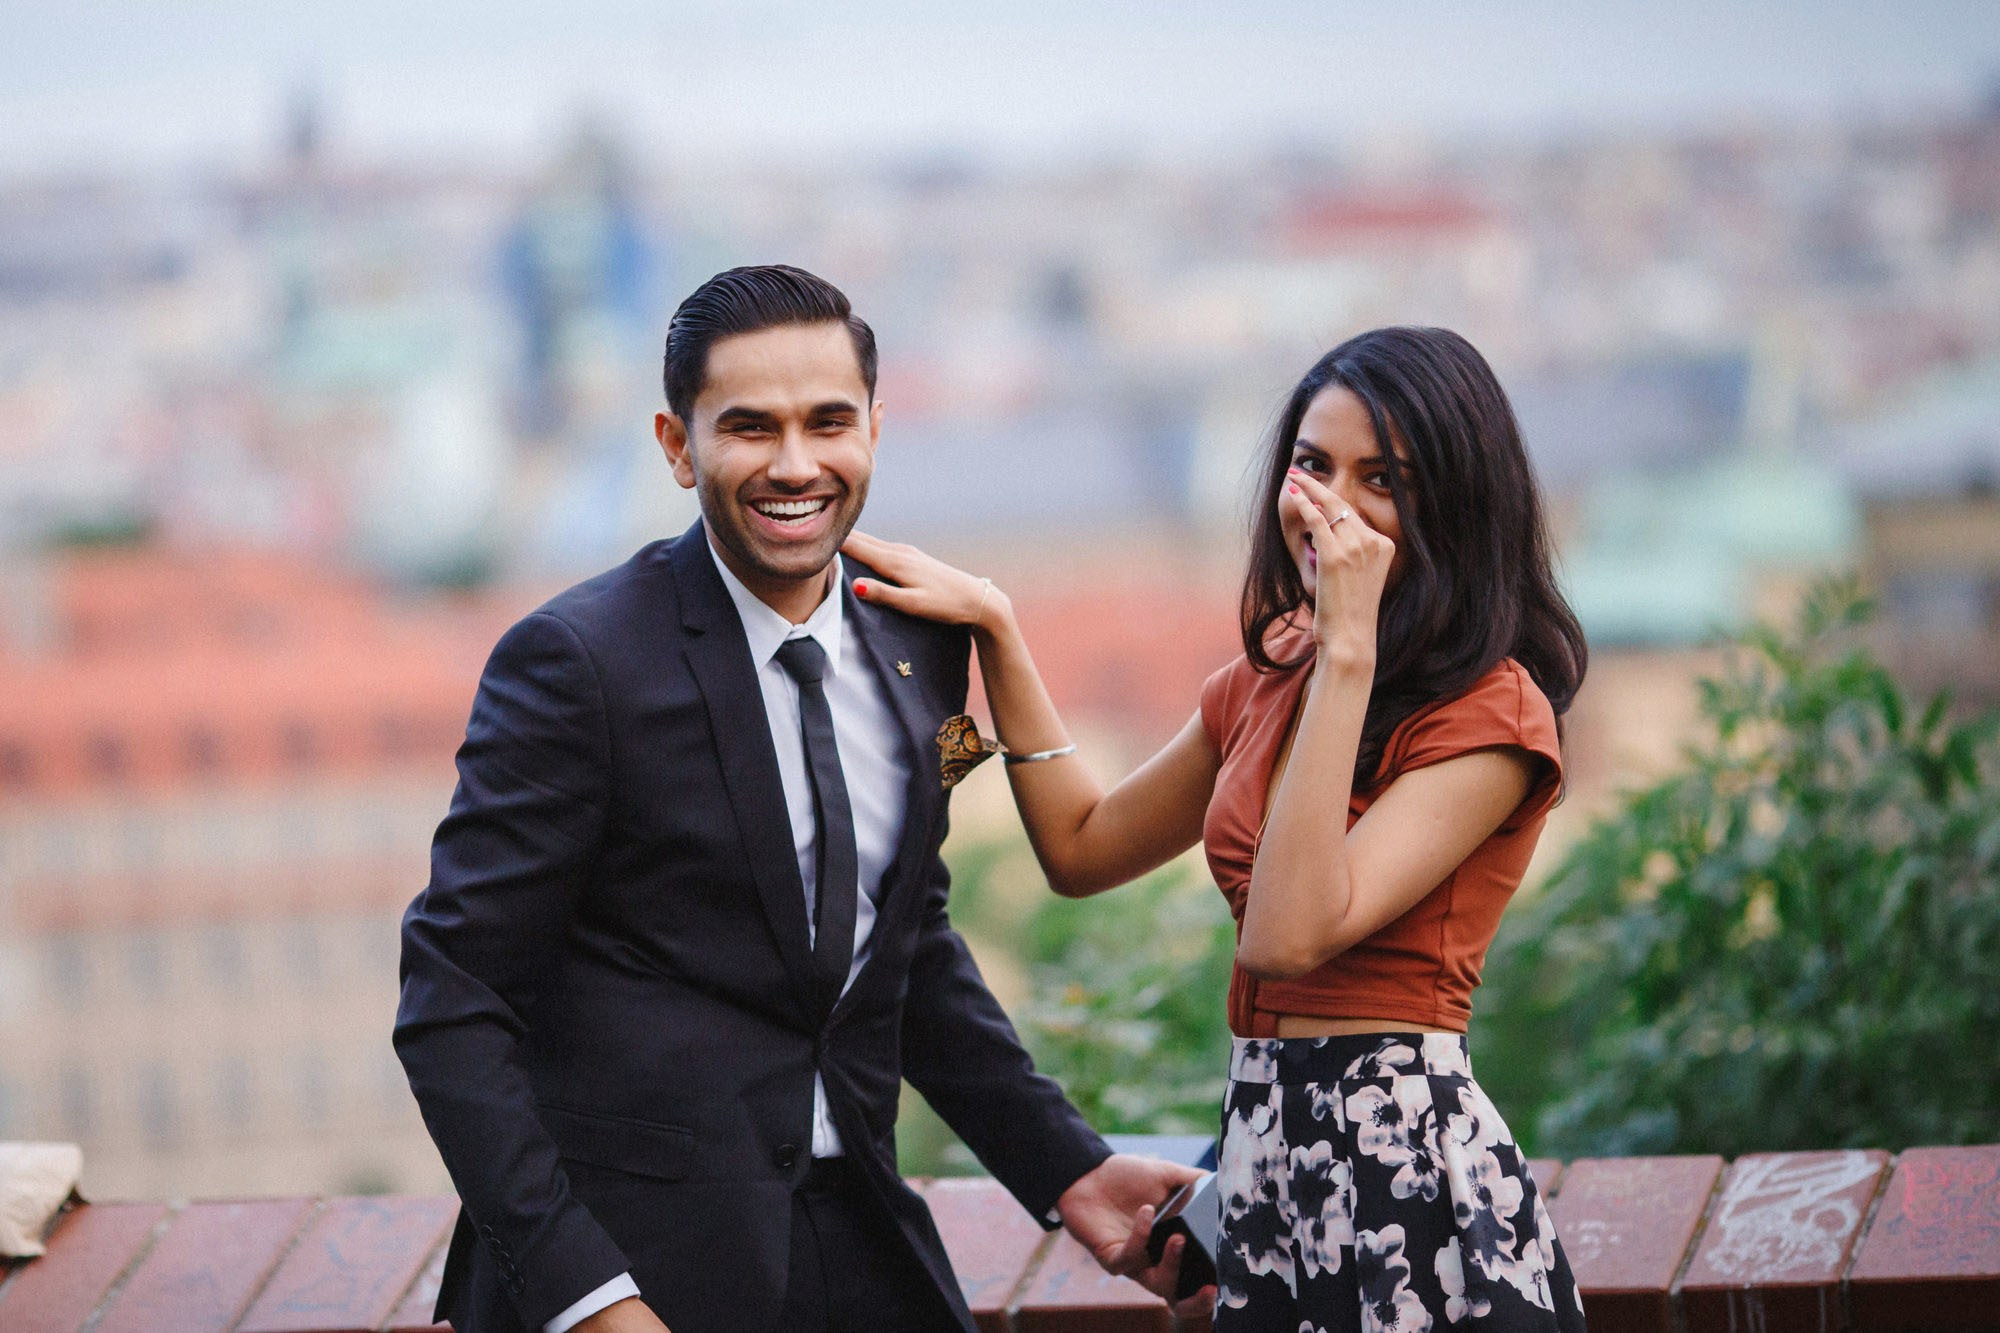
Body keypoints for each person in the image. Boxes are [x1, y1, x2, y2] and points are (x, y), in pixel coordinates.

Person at [394, 264, 1198, 1333]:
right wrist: (587, 1297)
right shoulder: (575, 663)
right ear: (677, 446)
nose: (794, 464)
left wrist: (1065, 1167)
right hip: (629, 1271)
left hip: (858, 1241)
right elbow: (451, 1004)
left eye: (828, 422)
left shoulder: (920, 642)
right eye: (748, 427)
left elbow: (902, 939)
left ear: (874, 426)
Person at [845, 325, 1592, 1330]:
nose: (1329, 503)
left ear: (1453, 502)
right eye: (1310, 463)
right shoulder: (1270, 675)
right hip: (1267, 1157)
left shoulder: (1490, 715)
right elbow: (1081, 847)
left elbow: (1287, 931)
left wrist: (1344, 655)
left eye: (1383, 479)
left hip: (1404, 1176)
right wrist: (996, 631)